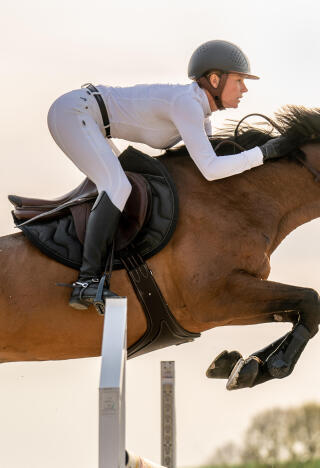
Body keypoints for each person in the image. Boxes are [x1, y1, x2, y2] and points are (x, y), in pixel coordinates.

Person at [47, 39, 294, 310]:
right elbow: (211, 169)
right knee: (117, 187)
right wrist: (264, 153)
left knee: (124, 185)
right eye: (239, 81)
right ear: (214, 79)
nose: (244, 89)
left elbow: (208, 169)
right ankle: (86, 282)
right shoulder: (187, 104)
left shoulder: (200, 114)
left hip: (89, 118)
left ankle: (109, 270)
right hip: (74, 112)